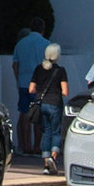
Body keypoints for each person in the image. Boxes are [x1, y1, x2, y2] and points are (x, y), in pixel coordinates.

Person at [29, 43, 68, 175]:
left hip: (42, 104)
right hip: (55, 103)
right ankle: (53, 157)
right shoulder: (60, 70)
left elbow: (31, 89)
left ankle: (46, 163)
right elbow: (65, 91)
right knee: (56, 132)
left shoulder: (38, 69)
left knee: (46, 132)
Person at [12, 17, 49, 155]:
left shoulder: (20, 44)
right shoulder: (46, 44)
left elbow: (15, 65)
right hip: (39, 85)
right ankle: (36, 146)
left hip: (24, 84)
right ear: (43, 29)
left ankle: (26, 145)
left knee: (25, 115)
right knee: (38, 117)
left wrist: (19, 80)